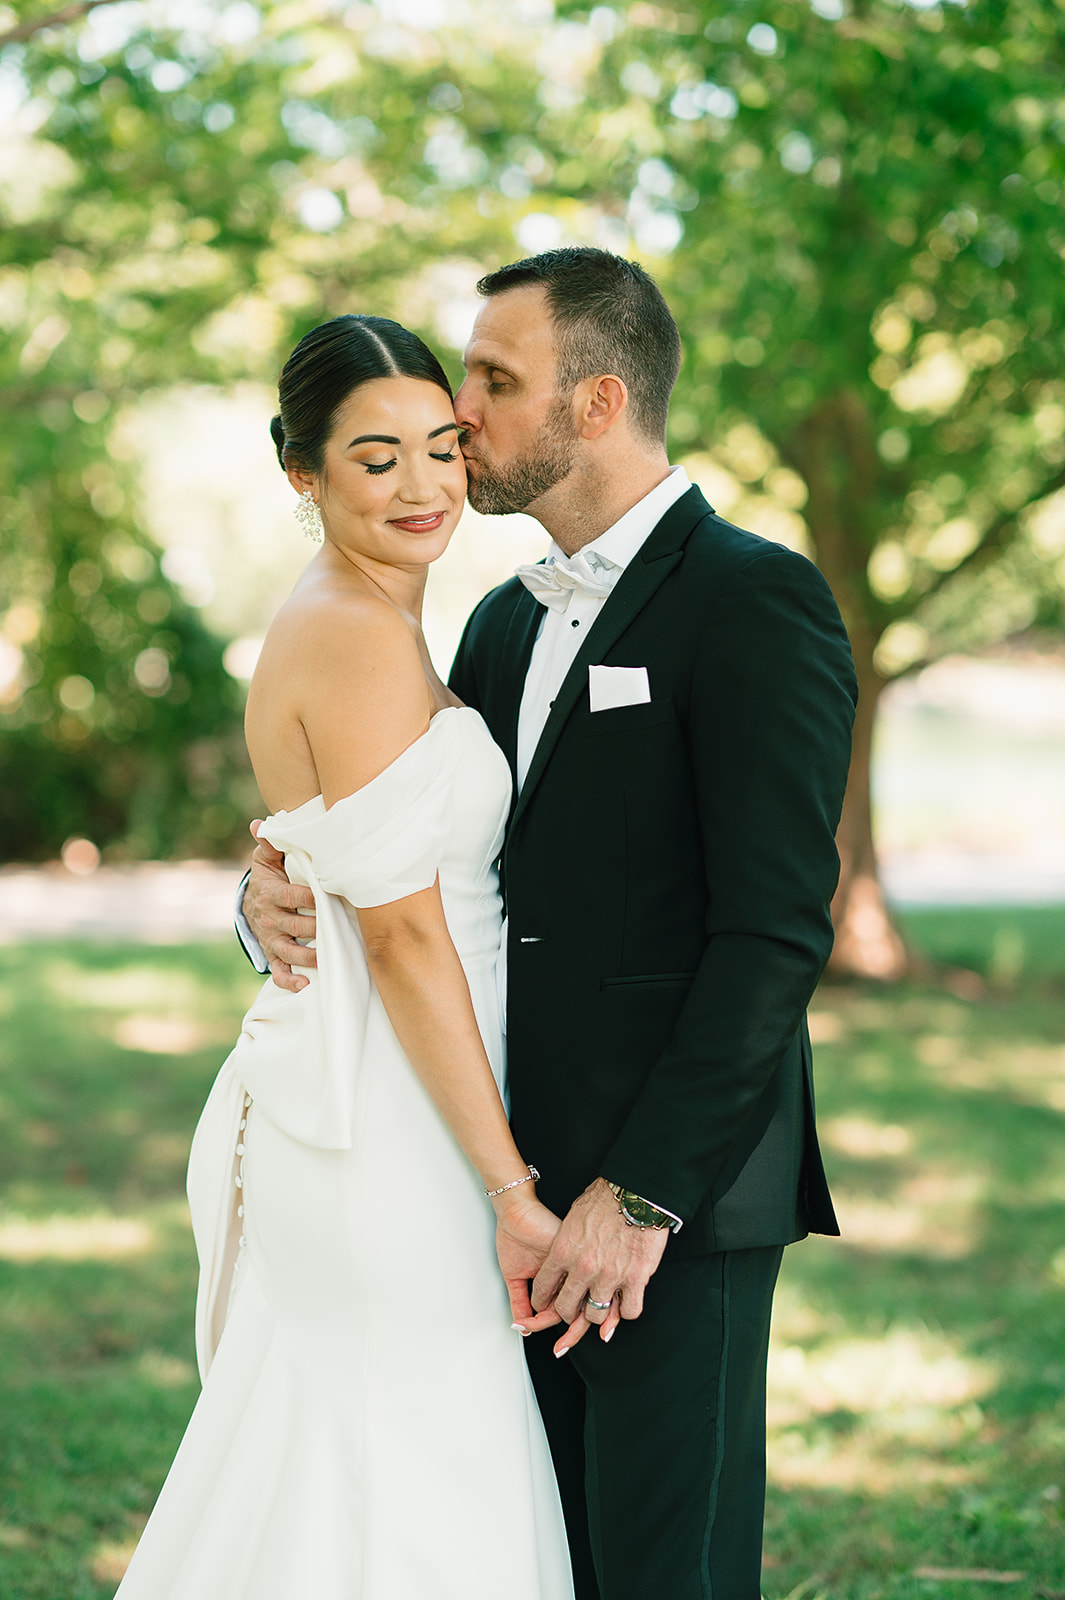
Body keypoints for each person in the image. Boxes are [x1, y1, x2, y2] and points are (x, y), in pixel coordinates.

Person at [243, 248, 858, 1600]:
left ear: (592, 406)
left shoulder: (755, 600)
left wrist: (639, 1197)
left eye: (491, 381)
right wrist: (270, 893)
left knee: (662, 1572)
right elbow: (424, 864)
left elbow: (770, 933)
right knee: (533, 1558)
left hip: (662, 1203)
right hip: (493, 1182)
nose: (459, 415)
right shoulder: (502, 628)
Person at [115, 314, 575, 1600]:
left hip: (409, 1096)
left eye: (443, 447)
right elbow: (408, 937)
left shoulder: (397, 621)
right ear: (302, 474)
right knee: (407, 1466)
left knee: (371, 1458)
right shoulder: (350, 629)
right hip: (389, 1123)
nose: (424, 486)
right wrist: (508, 1192)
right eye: (378, 460)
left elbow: (320, 841)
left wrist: (262, 881)